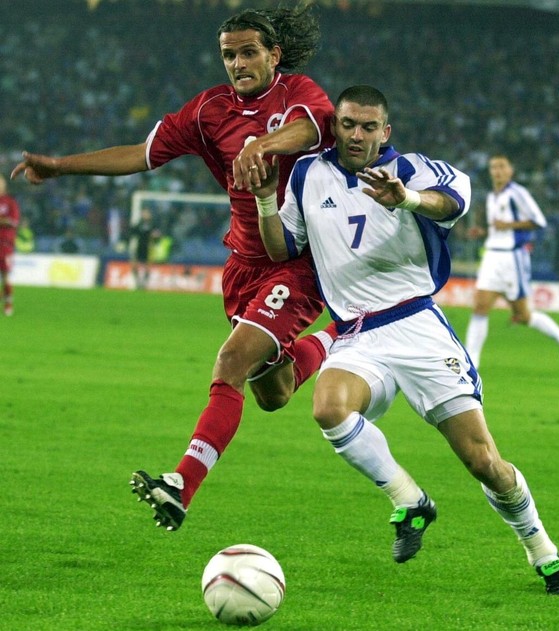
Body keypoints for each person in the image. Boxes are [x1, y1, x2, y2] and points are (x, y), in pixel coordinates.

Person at [11, 5, 335, 531]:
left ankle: (181, 483)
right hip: (243, 266)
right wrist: (60, 165)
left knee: (230, 361)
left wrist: (262, 145)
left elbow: (311, 128)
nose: (237, 63)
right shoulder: (209, 111)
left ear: (273, 55)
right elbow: (140, 155)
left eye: (249, 52)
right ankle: (339, 338)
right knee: (271, 394)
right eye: (229, 55)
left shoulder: (299, 92)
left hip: (299, 264)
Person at [253, 85, 559, 595]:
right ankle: (410, 499)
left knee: (483, 461)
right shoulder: (306, 174)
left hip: (418, 327)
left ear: (386, 131)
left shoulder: (413, 169)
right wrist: (263, 197)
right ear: (334, 125)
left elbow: (454, 199)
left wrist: (405, 198)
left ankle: (545, 553)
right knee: (327, 407)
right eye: (347, 124)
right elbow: (281, 247)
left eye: (368, 126)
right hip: (359, 332)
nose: (356, 135)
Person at [465, 155, 559, 369]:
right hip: (492, 255)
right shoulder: (492, 197)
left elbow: (538, 221)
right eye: (493, 167)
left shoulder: (517, 193)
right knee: (480, 306)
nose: (497, 171)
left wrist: (509, 224)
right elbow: (498, 228)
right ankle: (472, 365)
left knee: (523, 315)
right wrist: (484, 231)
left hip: (511, 258)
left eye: (501, 167)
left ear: (510, 171)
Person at [0, 174, 21, 316]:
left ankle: (8, 303)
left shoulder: (10, 202)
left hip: (5, 244)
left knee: (6, 275)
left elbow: (13, 222)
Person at [128, 207, 159, 289]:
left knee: (147, 265)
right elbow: (132, 233)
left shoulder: (153, 224)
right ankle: (137, 281)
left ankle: (145, 283)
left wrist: (156, 235)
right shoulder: (139, 224)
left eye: (147, 213)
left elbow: (157, 236)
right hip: (139, 246)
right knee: (134, 264)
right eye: (144, 213)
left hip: (148, 247)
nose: (145, 215)